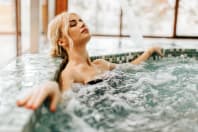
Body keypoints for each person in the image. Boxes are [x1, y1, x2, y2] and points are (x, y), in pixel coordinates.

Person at [16, 12, 163, 112]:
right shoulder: (70, 74)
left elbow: (131, 67)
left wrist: (148, 52)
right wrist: (52, 86)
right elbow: (66, 105)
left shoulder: (101, 64)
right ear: (62, 41)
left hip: (136, 109)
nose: (81, 24)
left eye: (81, 20)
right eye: (73, 24)